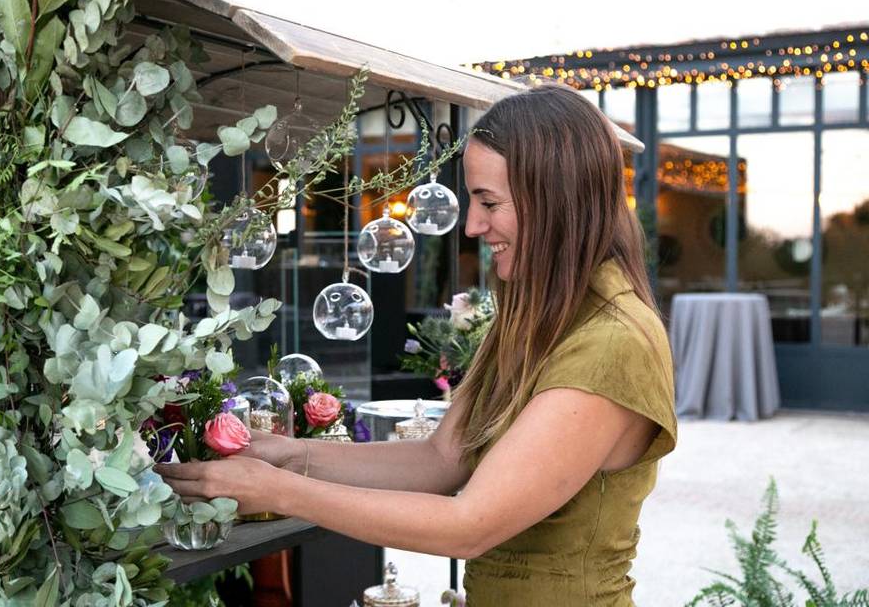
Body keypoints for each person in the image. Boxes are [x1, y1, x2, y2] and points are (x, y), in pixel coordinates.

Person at [157, 83, 676, 606]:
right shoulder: (536, 318)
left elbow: (470, 524)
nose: (473, 226)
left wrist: (278, 491)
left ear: (556, 202)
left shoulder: (612, 341)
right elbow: (440, 458)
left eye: (489, 202)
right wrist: (292, 456)